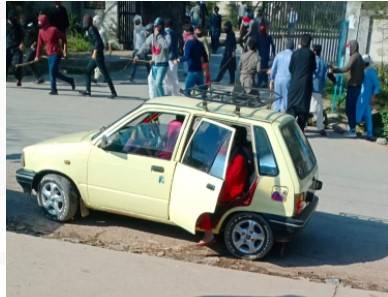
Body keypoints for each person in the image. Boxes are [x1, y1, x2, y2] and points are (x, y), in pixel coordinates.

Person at [197, 126, 249, 245]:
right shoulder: (233, 152)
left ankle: (208, 235)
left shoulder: (239, 157)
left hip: (231, 191)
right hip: (225, 185)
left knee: (201, 199)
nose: (225, 139)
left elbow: (230, 180)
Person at [331, 40, 364, 137]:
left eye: (350, 47)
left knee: (350, 108)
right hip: (356, 86)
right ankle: (351, 127)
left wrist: (334, 70)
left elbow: (346, 68)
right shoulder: (359, 57)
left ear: (353, 47)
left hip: (354, 87)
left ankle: (352, 130)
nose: (349, 49)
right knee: (351, 108)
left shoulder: (354, 57)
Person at [35, 14, 75, 95]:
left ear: (45, 22)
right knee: (55, 73)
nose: (40, 25)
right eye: (39, 24)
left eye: (41, 23)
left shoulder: (53, 30)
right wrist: (37, 56)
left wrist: (65, 50)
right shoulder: (40, 32)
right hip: (49, 54)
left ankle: (54, 90)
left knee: (52, 71)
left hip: (56, 53)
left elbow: (64, 38)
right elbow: (39, 45)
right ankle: (70, 80)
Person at [79, 14, 117, 98]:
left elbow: (98, 42)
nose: (84, 22)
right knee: (87, 71)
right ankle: (88, 91)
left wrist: (95, 52)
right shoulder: (90, 29)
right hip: (96, 55)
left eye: (85, 21)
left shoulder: (92, 29)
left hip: (98, 55)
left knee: (105, 74)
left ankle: (113, 92)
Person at [286, 34, 316, 132]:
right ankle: (300, 131)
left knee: (291, 109)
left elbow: (290, 68)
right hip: (305, 86)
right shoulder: (311, 54)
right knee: (303, 110)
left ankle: (289, 130)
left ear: (301, 42)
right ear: (309, 43)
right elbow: (313, 68)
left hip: (294, 85)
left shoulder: (295, 53)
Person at [135, 17, 169, 98]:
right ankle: (157, 100)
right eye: (155, 26)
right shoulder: (152, 37)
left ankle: (163, 100)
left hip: (163, 64)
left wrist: (159, 36)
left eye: (158, 26)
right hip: (154, 65)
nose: (156, 28)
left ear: (162, 26)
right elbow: (144, 46)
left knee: (158, 83)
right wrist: (138, 55)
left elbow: (166, 47)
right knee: (154, 85)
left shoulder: (165, 36)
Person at [175, 25, 208, 96]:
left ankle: (189, 105)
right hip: (199, 71)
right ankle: (205, 104)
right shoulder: (199, 42)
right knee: (202, 92)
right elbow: (205, 56)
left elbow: (187, 56)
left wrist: (178, 60)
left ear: (187, 33)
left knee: (187, 92)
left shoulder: (189, 43)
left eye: (183, 33)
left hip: (192, 71)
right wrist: (205, 69)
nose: (183, 35)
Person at [356, 55, 381, 141]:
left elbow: (377, 86)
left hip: (367, 97)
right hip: (361, 96)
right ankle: (366, 132)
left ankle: (367, 133)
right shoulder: (363, 70)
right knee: (364, 114)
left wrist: (373, 96)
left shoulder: (371, 72)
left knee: (364, 114)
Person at [269, 39, 294, 112]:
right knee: (286, 98)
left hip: (278, 79)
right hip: (288, 79)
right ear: (293, 47)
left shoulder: (279, 54)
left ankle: (276, 113)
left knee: (277, 98)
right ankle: (283, 114)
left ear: (285, 46)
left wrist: (271, 79)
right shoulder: (293, 56)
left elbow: (273, 69)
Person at [309, 44, 328, 136]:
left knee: (307, 108)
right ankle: (321, 128)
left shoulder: (312, 61)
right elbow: (325, 77)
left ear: (315, 51)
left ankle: (301, 125)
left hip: (311, 87)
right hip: (319, 88)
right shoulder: (324, 63)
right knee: (319, 109)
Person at [23, 16, 44, 84]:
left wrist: (34, 44)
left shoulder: (34, 26)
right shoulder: (26, 25)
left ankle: (39, 77)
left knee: (28, 61)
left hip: (33, 47)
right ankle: (39, 77)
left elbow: (37, 37)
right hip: (28, 47)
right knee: (30, 62)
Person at [129, 15, 150, 82]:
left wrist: (147, 33)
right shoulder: (136, 30)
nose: (137, 23)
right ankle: (131, 77)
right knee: (136, 63)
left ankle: (150, 75)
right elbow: (134, 40)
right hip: (138, 49)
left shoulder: (143, 29)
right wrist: (134, 49)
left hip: (143, 48)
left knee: (147, 63)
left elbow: (146, 38)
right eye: (136, 22)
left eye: (137, 22)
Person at [6, 10, 24, 87]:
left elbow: (24, 35)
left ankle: (18, 79)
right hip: (7, 47)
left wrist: (22, 43)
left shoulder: (18, 26)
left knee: (17, 65)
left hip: (17, 48)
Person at [163, 19, 180, 96]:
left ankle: (167, 92)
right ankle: (175, 93)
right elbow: (178, 45)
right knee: (174, 76)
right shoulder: (175, 33)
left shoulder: (164, 33)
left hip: (166, 57)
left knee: (166, 77)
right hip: (174, 57)